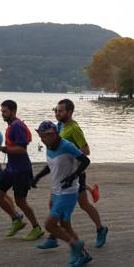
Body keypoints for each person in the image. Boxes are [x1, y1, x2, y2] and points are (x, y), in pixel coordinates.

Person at [37, 99, 109, 250]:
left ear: (70, 112)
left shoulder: (74, 128)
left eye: (61, 111)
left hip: (75, 173)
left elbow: (86, 151)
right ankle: (54, 236)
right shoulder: (60, 126)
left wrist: (71, 157)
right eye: (56, 110)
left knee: (84, 204)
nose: (57, 113)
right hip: (61, 174)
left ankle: (101, 229)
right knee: (52, 203)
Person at [31, 121, 93, 267]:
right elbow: (51, 165)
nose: (42, 140)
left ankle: (74, 245)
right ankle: (84, 255)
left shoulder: (66, 146)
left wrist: (73, 176)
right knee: (65, 225)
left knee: (49, 225)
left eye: (44, 137)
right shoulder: (49, 146)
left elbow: (85, 161)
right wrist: (38, 176)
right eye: (40, 137)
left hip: (69, 192)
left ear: (52, 134)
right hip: (56, 191)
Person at [0, 100, 44, 240]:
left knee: (20, 201)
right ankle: (16, 219)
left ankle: (36, 228)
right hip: (11, 168)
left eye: (5, 111)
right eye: (1, 111)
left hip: (21, 170)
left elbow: (22, 149)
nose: (2, 114)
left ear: (13, 111)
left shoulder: (17, 126)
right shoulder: (11, 126)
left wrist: (2, 149)